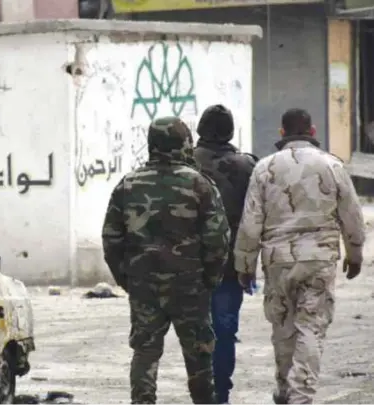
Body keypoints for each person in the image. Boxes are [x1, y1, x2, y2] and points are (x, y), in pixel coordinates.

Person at [234, 108, 367, 404]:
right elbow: (351, 215)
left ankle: (284, 389)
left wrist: (245, 264)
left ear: (282, 133)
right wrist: (354, 253)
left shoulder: (264, 168)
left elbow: (251, 221)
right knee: (311, 326)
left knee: (282, 327)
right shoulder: (332, 165)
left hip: (277, 261)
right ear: (313, 131)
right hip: (318, 260)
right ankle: (301, 395)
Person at [102, 116, 231, 404]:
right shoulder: (199, 184)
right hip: (190, 286)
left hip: (144, 286)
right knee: (199, 353)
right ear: (184, 144)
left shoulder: (128, 185)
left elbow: (111, 240)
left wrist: (127, 279)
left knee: (145, 352)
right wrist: (209, 278)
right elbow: (218, 239)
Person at [193, 105, 257, 404]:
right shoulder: (247, 167)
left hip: (189, 264)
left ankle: (202, 390)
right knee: (224, 329)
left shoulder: (184, 164)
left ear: (200, 130)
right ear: (231, 131)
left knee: (195, 331)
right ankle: (220, 392)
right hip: (230, 266)